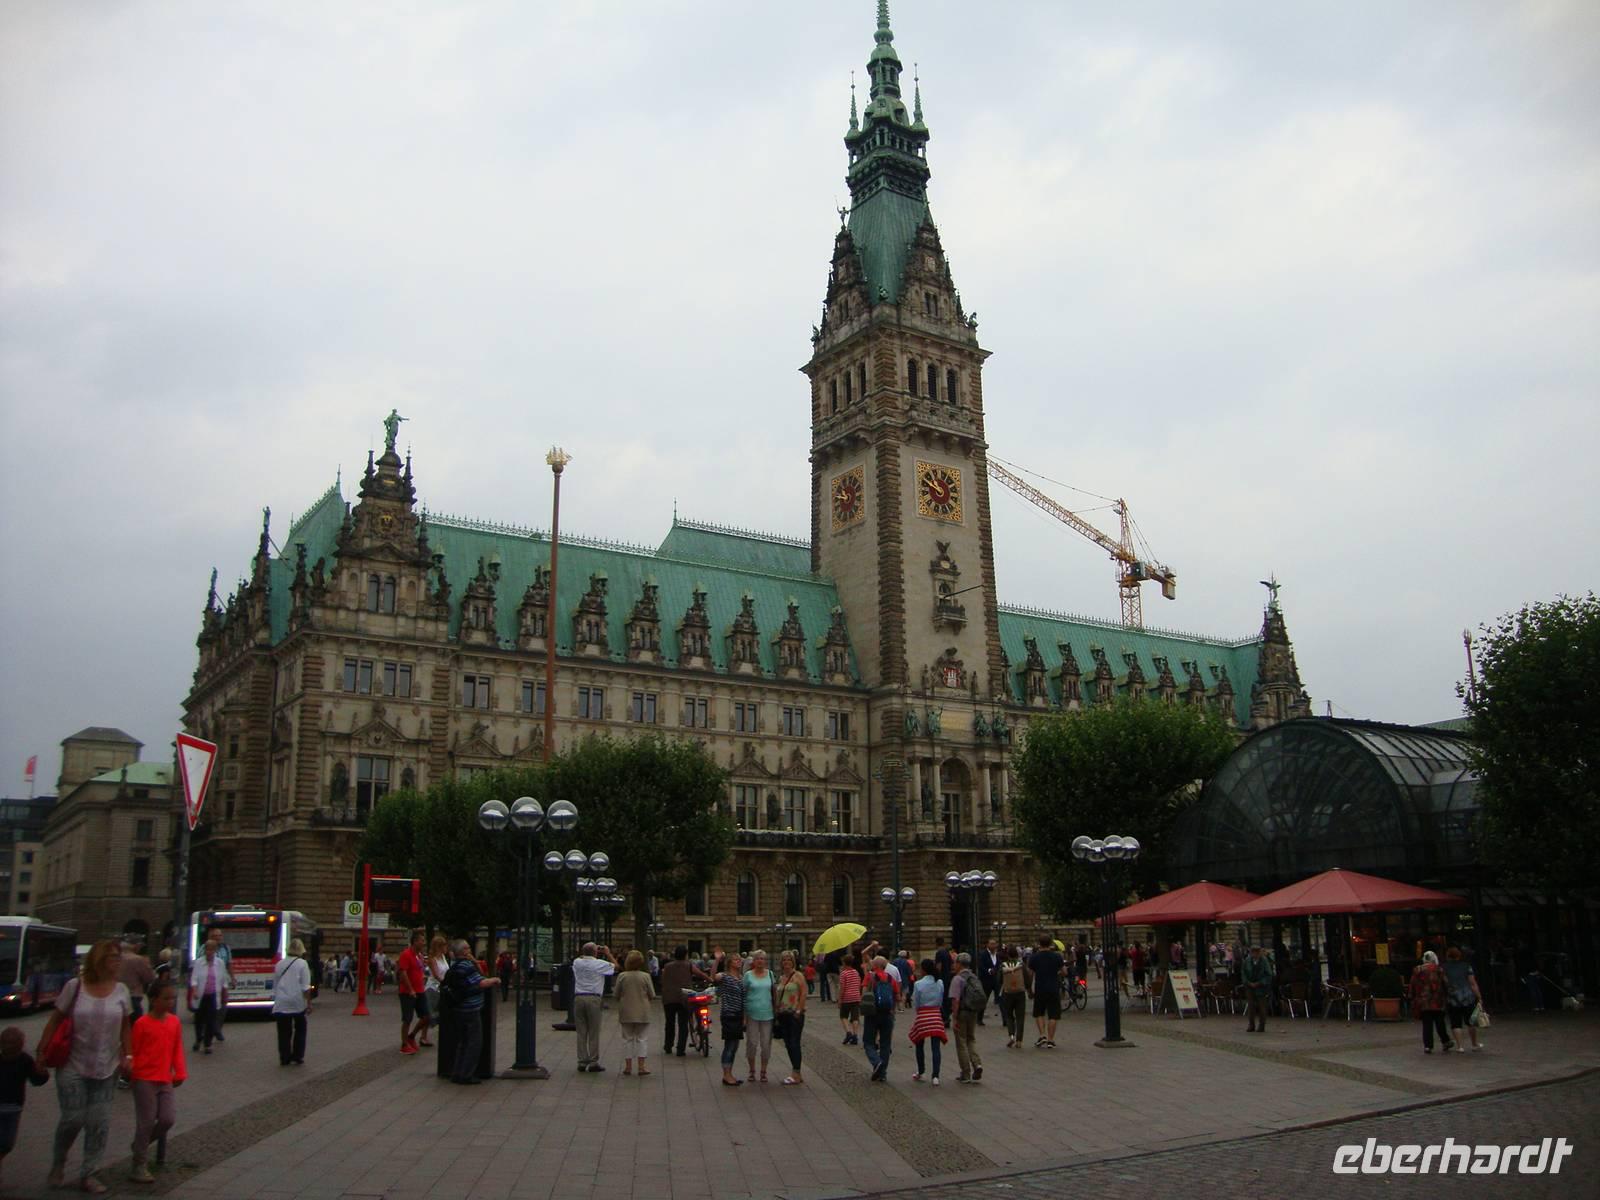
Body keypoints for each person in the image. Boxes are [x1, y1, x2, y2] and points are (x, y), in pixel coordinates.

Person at [38, 939, 132, 1194]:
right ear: (99, 959)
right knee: (73, 1118)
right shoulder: (75, 986)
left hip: (107, 1067)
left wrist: (129, 1055)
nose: (117, 961)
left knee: (98, 1122)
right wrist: (41, 1051)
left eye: (118, 956)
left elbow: (126, 1026)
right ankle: (59, 1161)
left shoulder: (121, 990)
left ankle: (90, 1173)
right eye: (112, 957)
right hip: (73, 1064)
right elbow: (55, 1019)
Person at [127, 979, 186, 1184]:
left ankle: (139, 1146)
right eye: (166, 998)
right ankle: (139, 1164)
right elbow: (134, 1050)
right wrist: (132, 1073)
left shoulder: (174, 1022)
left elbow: (177, 1048)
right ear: (153, 1000)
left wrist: (180, 1072)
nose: (171, 1002)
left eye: (173, 998)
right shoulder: (142, 1024)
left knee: (167, 1119)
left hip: (164, 1078)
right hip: (144, 1078)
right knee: (146, 1121)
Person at [0, 1026, 49, 1194]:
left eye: (12, 1045)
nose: (9, 1048)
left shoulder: (24, 1060)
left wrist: (42, 1072)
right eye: (6, 1044)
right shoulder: (22, 1059)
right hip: (10, 1108)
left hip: (13, 1108)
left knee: (6, 1144)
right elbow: (37, 1080)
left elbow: (36, 1079)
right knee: (5, 1143)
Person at [442, 940, 498, 1084]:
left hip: (459, 1008)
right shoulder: (466, 966)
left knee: (463, 1042)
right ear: (464, 951)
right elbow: (481, 982)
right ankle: (466, 1074)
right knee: (474, 1042)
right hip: (470, 1009)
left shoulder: (455, 965)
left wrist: (475, 962)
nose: (470, 950)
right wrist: (495, 980)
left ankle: (457, 1072)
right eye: (468, 948)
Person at [572, 943, 617, 1073]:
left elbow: (581, 956)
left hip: (579, 998)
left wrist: (589, 950)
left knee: (581, 1032)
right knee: (593, 1031)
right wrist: (607, 953)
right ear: (596, 952)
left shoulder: (577, 962)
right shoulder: (600, 964)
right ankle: (593, 1062)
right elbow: (616, 967)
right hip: (594, 998)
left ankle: (582, 1061)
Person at [272, 938, 314, 1067]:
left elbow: (275, 984)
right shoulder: (302, 964)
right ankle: (297, 1055)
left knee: (283, 1031)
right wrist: (309, 1003)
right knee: (300, 1028)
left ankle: (284, 1057)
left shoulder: (279, 964)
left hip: (281, 1001)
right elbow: (306, 986)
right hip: (297, 1001)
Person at [614, 950, 655, 1077]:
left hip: (626, 1011)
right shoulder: (645, 976)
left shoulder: (622, 976)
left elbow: (616, 994)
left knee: (627, 1039)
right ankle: (641, 1067)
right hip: (643, 1011)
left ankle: (628, 1066)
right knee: (642, 1039)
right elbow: (652, 994)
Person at [658, 946, 706, 1057]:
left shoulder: (667, 966)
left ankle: (668, 1046)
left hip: (669, 998)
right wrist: (710, 979)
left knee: (669, 1023)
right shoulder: (688, 965)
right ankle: (680, 1049)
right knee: (683, 1024)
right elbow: (700, 974)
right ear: (685, 955)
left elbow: (663, 979)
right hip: (684, 998)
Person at [860, 952, 900, 1082]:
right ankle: (882, 1073)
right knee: (885, 1044)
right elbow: (897, 996)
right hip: (887, 1014)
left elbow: (864, 994)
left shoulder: (869, 976)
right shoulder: (890, 978)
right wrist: (892, 1009)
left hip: (872, 1013)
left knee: (868, 1042)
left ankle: (877, 1062)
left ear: (875, 965)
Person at [907, 957, 947, 1084]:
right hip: (936, 1014)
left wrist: (919, 1012)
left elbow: (916, 1002)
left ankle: (921, 1071)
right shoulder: (939, 982)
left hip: (923, 1014)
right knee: (936, 1047)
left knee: (919, 1043)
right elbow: (941, 1000)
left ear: (923, 970)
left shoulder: (918, 984)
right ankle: (935, 1076)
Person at [741, 950, 777, 1083]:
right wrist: (743, 1016)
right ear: (754, 961)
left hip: (768, 1014)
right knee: (752, 1043)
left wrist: (776, 1009)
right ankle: (752, 1070)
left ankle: (763, 1071)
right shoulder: (748, 975)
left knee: (766, 1044)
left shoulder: (770, 974)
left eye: (762, 958)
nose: (760, 961)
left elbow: (774, 993)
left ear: (765, 961)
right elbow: (743, 995)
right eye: (758, 959)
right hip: (752, 1014)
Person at [950, 952, 985, 1084]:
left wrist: (954, 1017)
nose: (954, 965)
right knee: (971, 1039)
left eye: (955, 963)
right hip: (973, 1011)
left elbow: (955, 1000)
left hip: (962, 1012)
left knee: (961, 1042)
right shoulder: (973, 977)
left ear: (959, 964)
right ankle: (977, 1064)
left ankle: (965, 1073)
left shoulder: (957, 979)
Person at [1410, 950, 1453, 1054]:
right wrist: (1448, 994)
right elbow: (1446, 983)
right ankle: (1445, 1041)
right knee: (1440, 1023)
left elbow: (1413, 984)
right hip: (1438, 1000)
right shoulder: (1439, 969)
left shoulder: (1418, 970)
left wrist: (1413, 996)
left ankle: (1428, 1046)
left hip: (1423, 1001)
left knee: (1427, 1024)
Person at [775, 950, 807, 1085]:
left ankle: (796, 1073)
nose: (786, 962)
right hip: (782, 1014)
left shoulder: (798, 976)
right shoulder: (781, 977)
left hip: (794, 1014)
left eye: (789, 959)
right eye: (784, 960)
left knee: (794, 1043)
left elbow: (803, 993)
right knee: (788, 1044)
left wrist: (798, 1010)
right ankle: (796, 1072)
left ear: (793, 961)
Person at [1443, 947, 1484, 1052]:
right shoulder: (1466, 966)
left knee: (1455, 1023)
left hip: (1453, 997)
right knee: (1471, 1021)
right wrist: (1479, 996)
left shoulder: (1444, 968)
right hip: (1467, 996)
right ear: (1459, 955)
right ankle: (1474, 1044)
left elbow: (1446, 982)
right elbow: (1472, 983)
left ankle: (1460, 1046)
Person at [1026, 936, 1065, 1048]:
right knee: (1053, 1015)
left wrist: (1029, 989)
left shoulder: (1034, 957)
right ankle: (1051, 1040)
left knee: (1039, 1013)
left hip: (1040, 988)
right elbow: (1064, 972)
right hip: (1053, 988)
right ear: (1051, 943)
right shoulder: (1057, 956)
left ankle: (1042, 1035)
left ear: (1039, 943)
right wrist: (1056, 973)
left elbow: (1030, 975)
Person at [714, 953, 746, 1086]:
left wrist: (744, 1017)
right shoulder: (725, 976)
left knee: (734, 1046)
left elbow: (743, 999)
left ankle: (729, 1073)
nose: (739, 961)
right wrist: (717, 960)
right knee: (730, 1045)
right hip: (729, 1014)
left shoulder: (741, 978)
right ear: (729, 963)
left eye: (739, 959)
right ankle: (726, 1075)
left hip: (738, 1015)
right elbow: (714, 977)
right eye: (735, 959)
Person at [395, 931, 428, 1054]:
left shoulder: (419, 955)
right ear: (415, 941)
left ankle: (412, 1036)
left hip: (420, 990)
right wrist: (410, 989)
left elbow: (419, 970)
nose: (423, 943)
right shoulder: (406, 954)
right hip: (407, 992)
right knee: (407, 1018)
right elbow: (403, 973)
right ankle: (404, 1044)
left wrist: (422, 977)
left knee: (426, 1016)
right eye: (422, 941)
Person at [118, 941, 156, 1023]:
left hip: (114, 996)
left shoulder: (114, 958)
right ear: (134, 946)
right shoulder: (138, 959)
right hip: (133, 996)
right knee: (134, 1025)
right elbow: (149, 978)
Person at [998, 946, 1027, 1047]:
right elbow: (1027, 978)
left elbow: (999, 979)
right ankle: (1019, 1040)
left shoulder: (1003, 965)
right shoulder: (1021, 965)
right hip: (1020, 992)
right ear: (1017, 954)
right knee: (1020, 1017)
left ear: (1008, 955)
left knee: (1009, 1016)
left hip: (1008, 993)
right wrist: (1028, 989)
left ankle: (1011, 1036)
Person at [1241, 945, 1274, 1033]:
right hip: (1250, 986)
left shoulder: (1264, 961)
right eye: (1253, 951)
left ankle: (1262, 1025)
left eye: (1257, 952)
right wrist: (1248, 982)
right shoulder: (1247, 961)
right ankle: (1251, 1024)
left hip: (1261, 987)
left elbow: (1268, 974)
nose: (1255, 954)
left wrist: (1260, 983)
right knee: (1251, 1006)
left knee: (1262, 1007)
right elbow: (1243, 973)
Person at [837, 953, 862, 1045]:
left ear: (844, 963)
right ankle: (855, 1035)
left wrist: (840, 999)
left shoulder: (843, 973)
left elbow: (842, 987)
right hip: (856, 997)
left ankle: (848, 1032)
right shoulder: (856, 972)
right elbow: (859, 984)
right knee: (855, 1017)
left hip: (846, 998)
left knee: (843, 1016)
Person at [933, 937, 954, 1027]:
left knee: (941, 999)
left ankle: (944, 1018)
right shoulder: (947, 952)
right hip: (948, 978)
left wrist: (935, 977)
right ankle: (947, 1017)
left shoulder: (939, 953)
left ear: (936, 944)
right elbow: (952, 966)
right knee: (946, 998)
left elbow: (938, 967)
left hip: (941, 979)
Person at [978, 939, 1001, 1024]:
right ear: (988, 945)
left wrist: (996, 970)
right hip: (986, 980)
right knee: (984, 999)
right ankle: (979, 1018)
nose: (993, 946)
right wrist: (989, 970)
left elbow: (998, 964)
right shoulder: (983, 954)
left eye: (994, 944)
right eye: (991, 944)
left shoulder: (997, 954)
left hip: (996, 980)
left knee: (1001, 999)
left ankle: (1006, 1019)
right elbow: (981, 966)